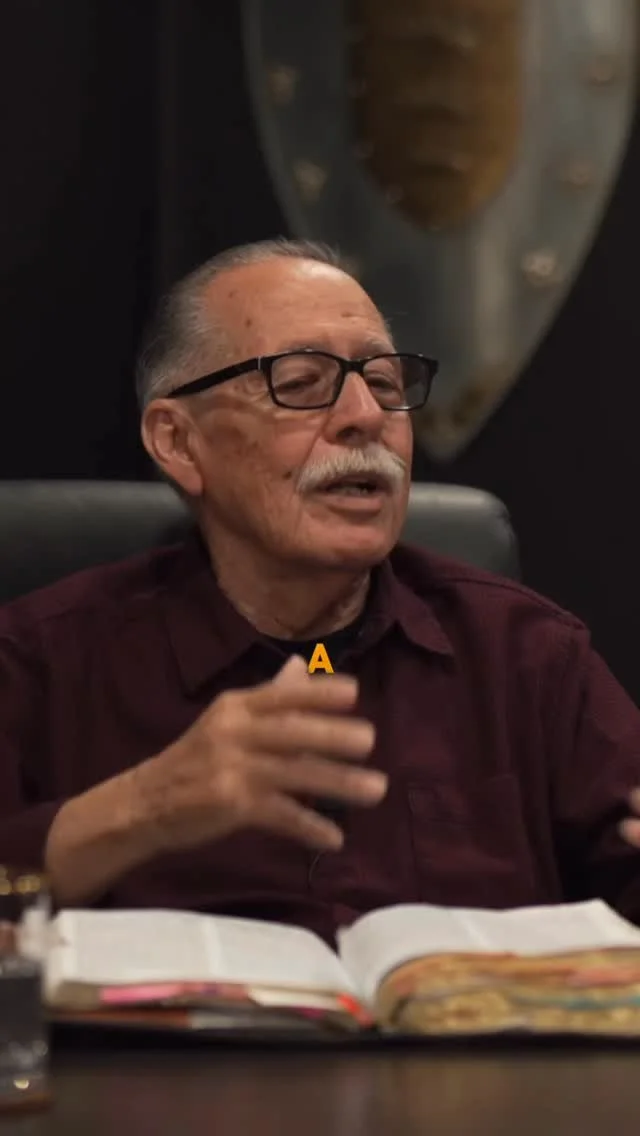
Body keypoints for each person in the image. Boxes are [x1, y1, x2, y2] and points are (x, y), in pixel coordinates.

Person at [2, 238, 640, 943]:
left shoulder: (528, 656)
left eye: (385, 383)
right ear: (179, 443)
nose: (365, 415)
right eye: (302, 383)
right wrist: (146, 807)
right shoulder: (42, 662)